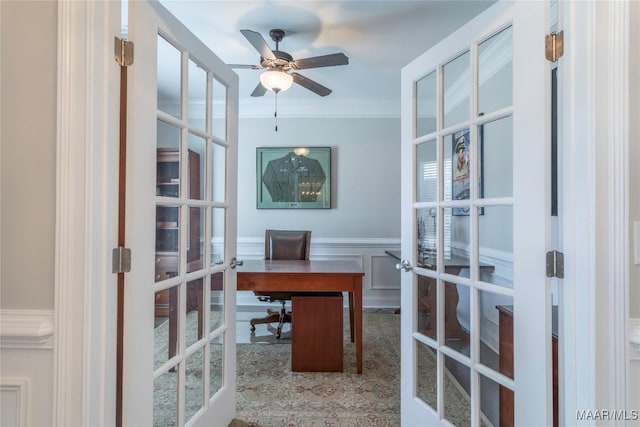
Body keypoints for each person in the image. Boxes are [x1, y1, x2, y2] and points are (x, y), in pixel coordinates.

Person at [262, 152, 326, 203]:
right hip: (282, 206)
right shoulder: (274, 164)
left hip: (306, 205)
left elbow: (319, 178)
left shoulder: (313, 164)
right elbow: (268, 179)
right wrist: (278, 197)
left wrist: (309, 196)